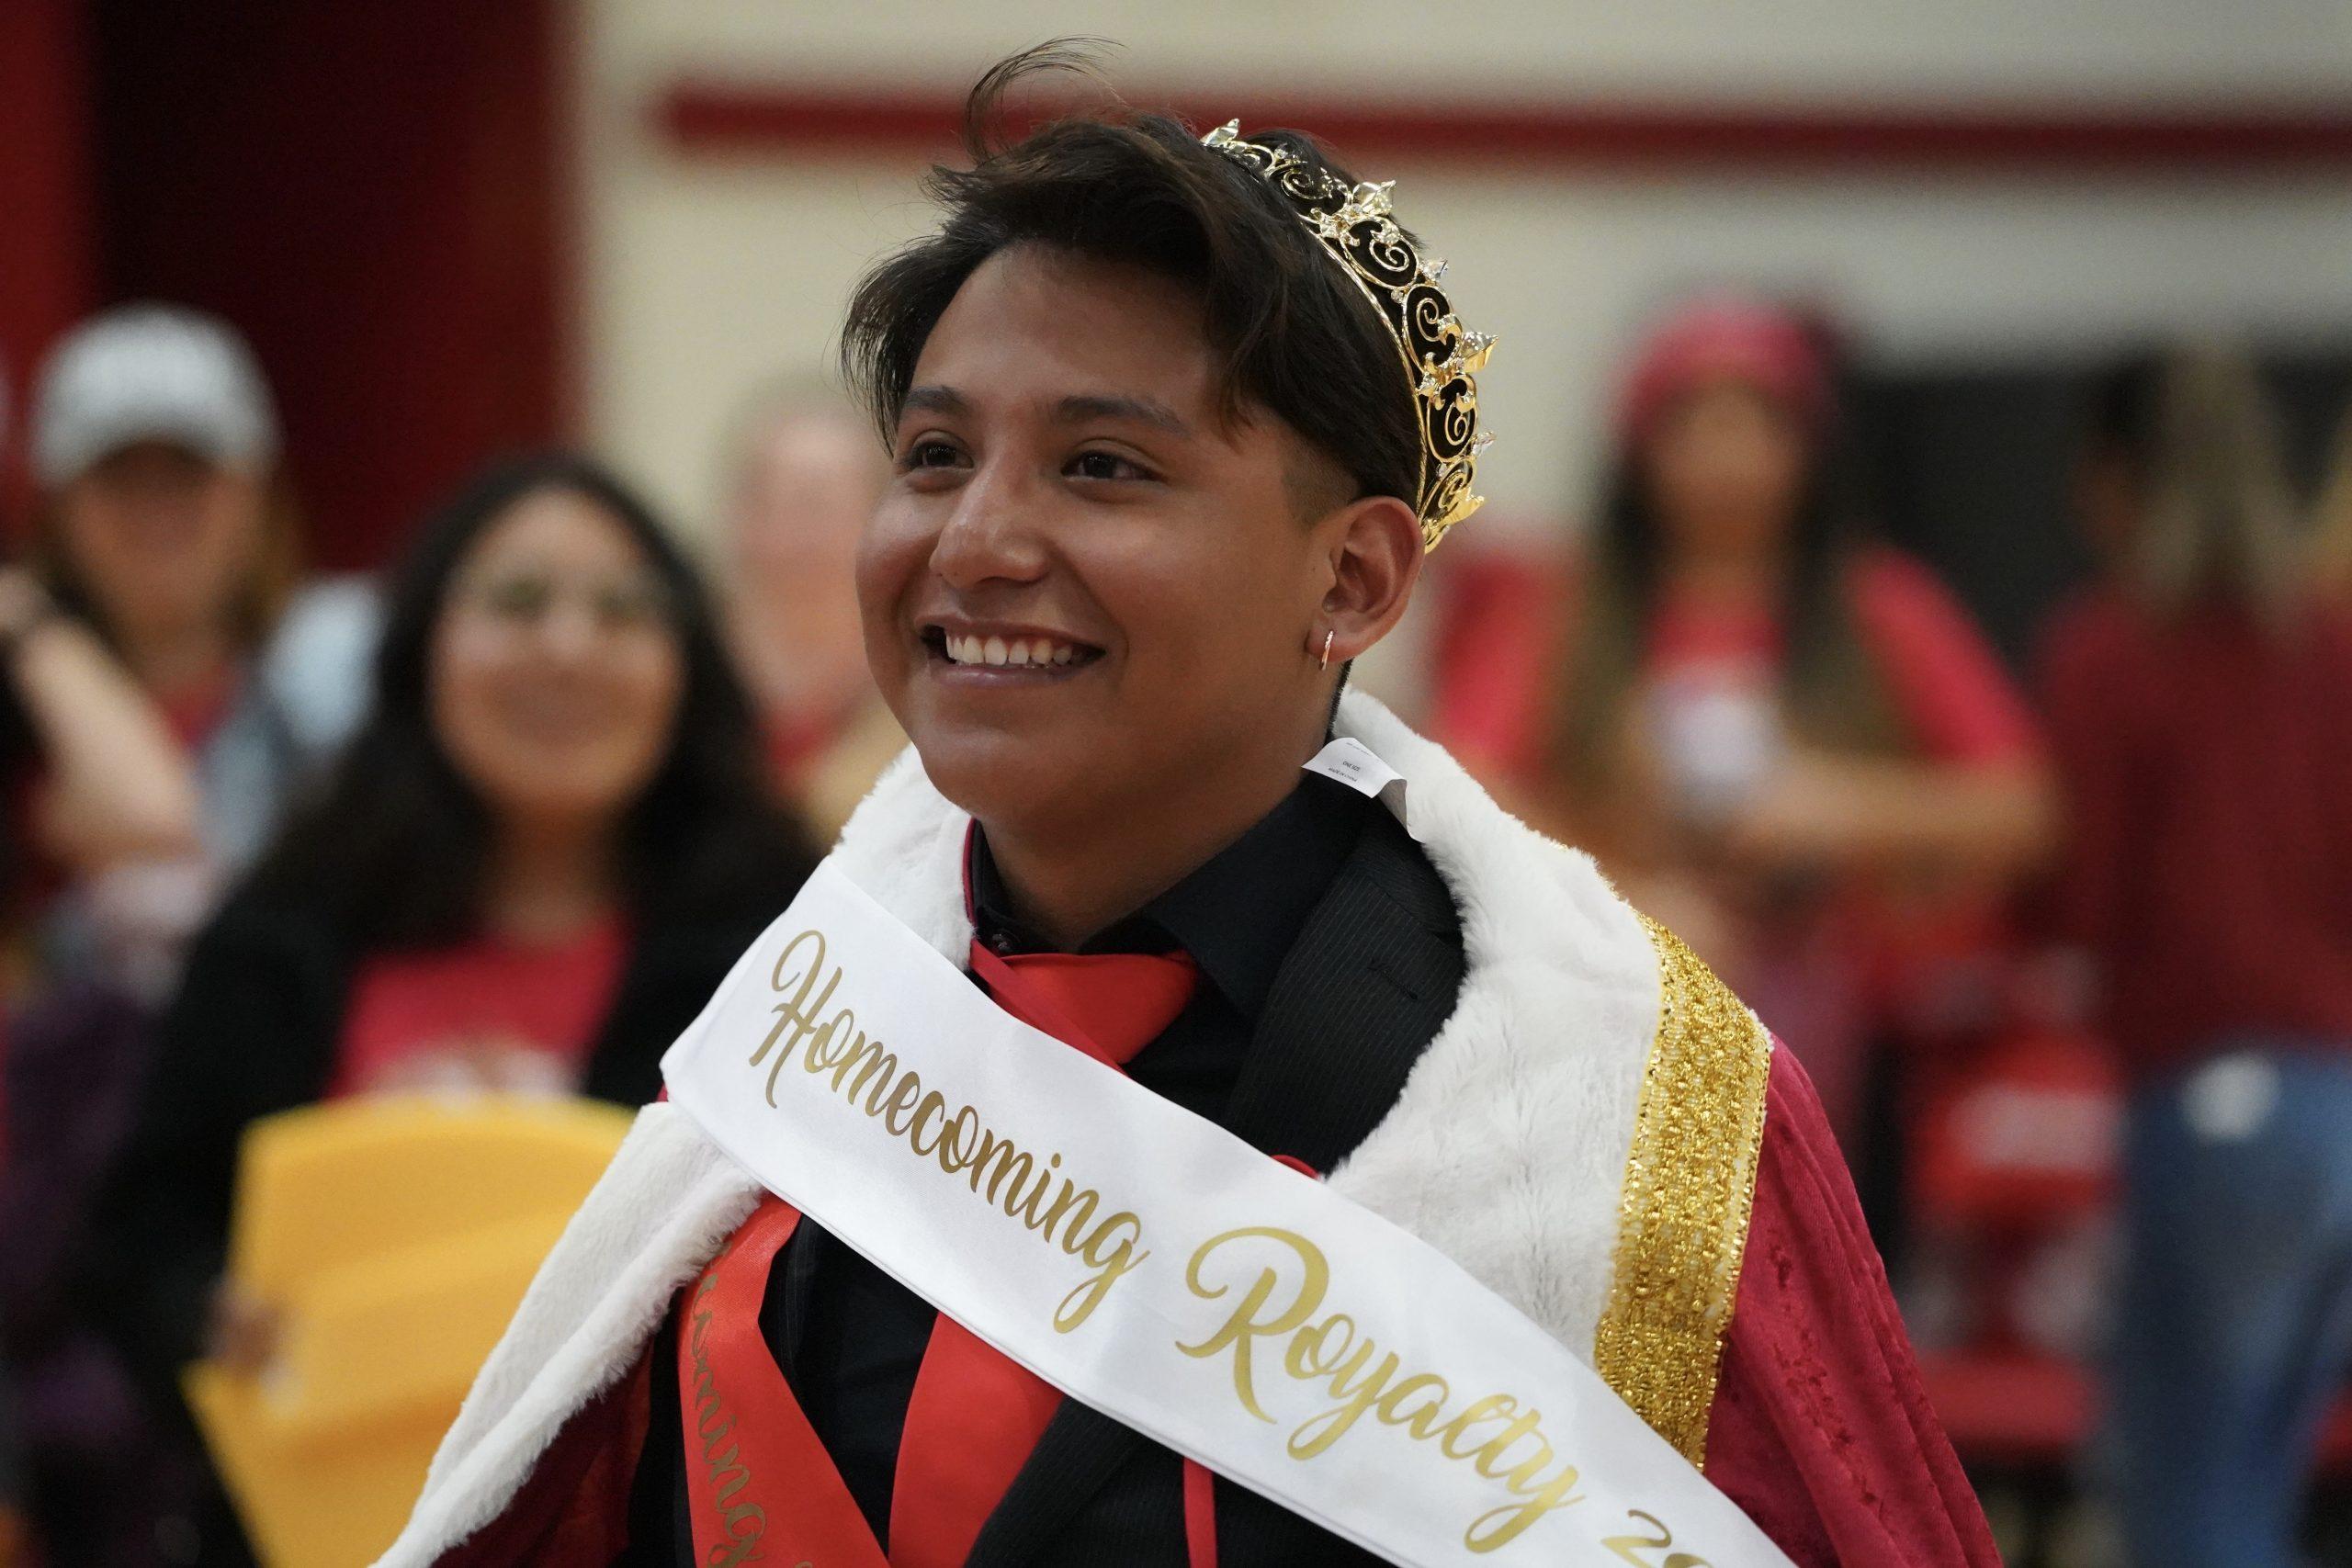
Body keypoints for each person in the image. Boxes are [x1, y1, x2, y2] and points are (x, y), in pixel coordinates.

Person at [382, 51, 1996, 1567]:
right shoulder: (805, 1017)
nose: (978, 540)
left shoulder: (1635, 1124)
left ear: (1353, 578)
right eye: (936, 454)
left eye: (1102, 467)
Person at [84, 454, 816, 1564]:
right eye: (516, 601)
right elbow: (138, 1233)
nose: (566, 647)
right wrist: (205, 1317)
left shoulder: (788, 958)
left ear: (686, 665)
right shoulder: (283, 926)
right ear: (423, 643)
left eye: (622, 609)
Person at [1521, 298, 2052, 1145]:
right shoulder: (1565, 612)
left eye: (1758, 425)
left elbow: (2022, 809)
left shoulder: (1885, 607)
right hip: (1613, 1034)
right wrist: (1615, 889)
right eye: (1693, 425)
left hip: (1854, 1046)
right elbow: (1458, 785)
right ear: (1640, 449)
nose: (1727, 459)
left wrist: (1839, 808)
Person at [2044, 346, 2352, 1568]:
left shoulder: (2113, 650)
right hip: (2334, 1103)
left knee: (2186, 1487)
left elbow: (2086, 887)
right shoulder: (2328, 648)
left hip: (2211, 1096)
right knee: (2258, 1477)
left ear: (2114, 483)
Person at [27, 303, 377, 998]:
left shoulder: (348, 666)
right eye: (117, 475)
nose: (155, 506)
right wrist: (35, 636)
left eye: (188, 472)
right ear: (60, 507)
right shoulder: (21, 698)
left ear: (254, 493)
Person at [718, 385, 906, 840]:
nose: (783, 535)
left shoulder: (924, 712)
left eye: (813, 505)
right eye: (762, 501)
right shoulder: (691, 691)